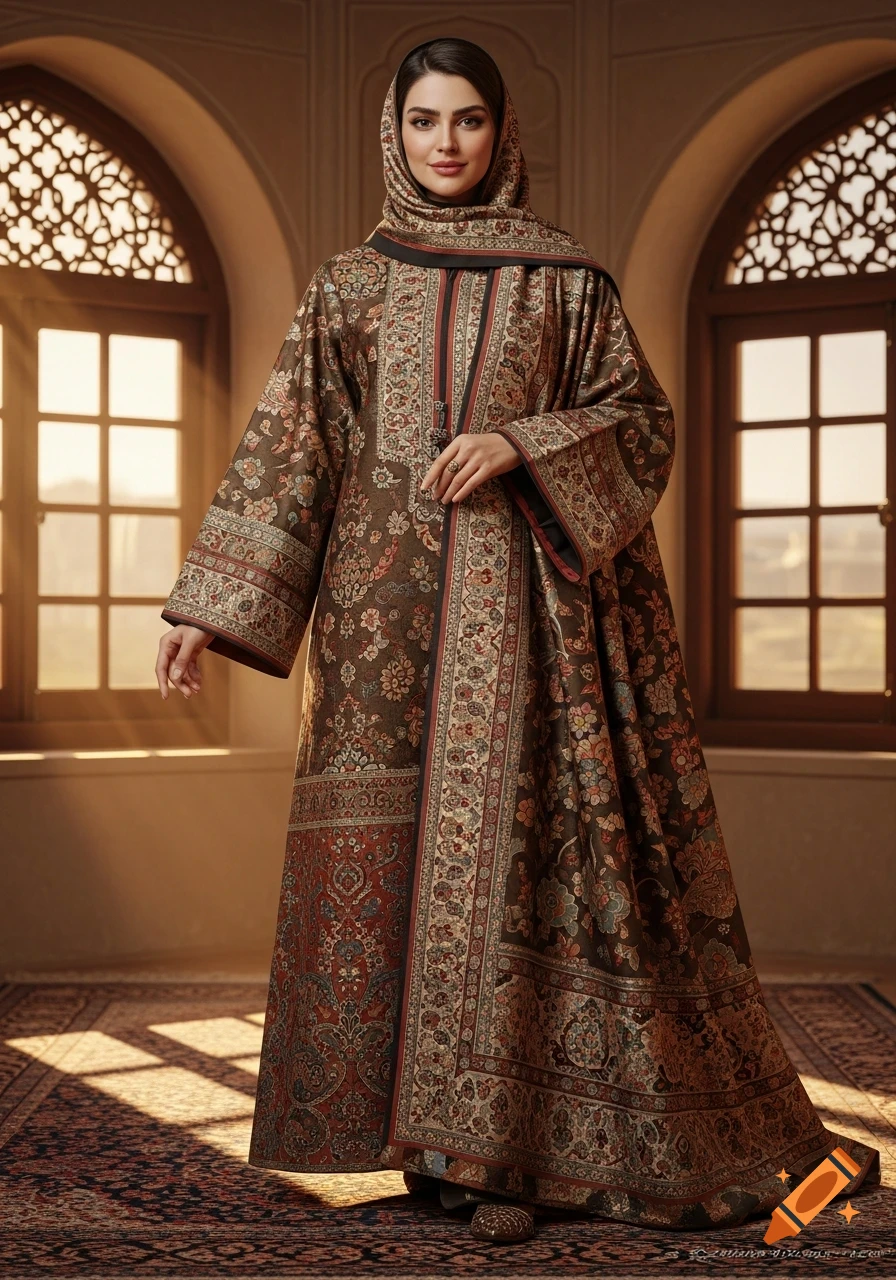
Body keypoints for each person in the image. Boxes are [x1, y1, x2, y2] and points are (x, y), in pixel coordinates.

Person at [156, 37, 880, 1246]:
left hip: (533, 636)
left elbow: (638, 422)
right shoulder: (345, 286)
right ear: (392, 131)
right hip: (380, 632)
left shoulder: (566, 284)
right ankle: (422, 1149)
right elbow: (294, 447)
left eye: (469, 122)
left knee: (508, 867)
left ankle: (509, 1158)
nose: (447, 144)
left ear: (502, 135)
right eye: (425, 121)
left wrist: (524, 442)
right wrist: (203, 602)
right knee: (387, 870)